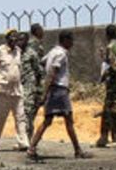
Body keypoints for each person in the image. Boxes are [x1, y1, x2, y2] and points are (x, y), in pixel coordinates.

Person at [26, 31, 89, 161]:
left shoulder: (52, 52)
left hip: (53, 90)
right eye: (71, 40)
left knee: (47, 121)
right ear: (65, 40)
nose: (72, 43)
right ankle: (77, 150)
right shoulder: (61, 54)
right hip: (59, 90)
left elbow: (43, 62)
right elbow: (53, 72)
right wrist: (45, 91)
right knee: (68, 120)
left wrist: (46, 89)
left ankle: (32, 148)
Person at [0, 29, 28, 151]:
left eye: (16, 37)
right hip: (3, 89)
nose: (14, 39)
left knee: (20, 116)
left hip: (16, 89)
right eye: (12, 37)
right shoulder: (0, 51)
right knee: (0, 117)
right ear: (7, 38)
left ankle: (23, 143)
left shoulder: (18, 51)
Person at [21, 23, 46, 139]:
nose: (43, 32)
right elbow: (37, 65)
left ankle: (28, 136)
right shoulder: (33, 45)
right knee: (29, 111)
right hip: (31, 82)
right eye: (41, 30)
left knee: (31, 111)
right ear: (36, 31)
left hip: (34, 82)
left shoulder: (36, 44)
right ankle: (27, 137)